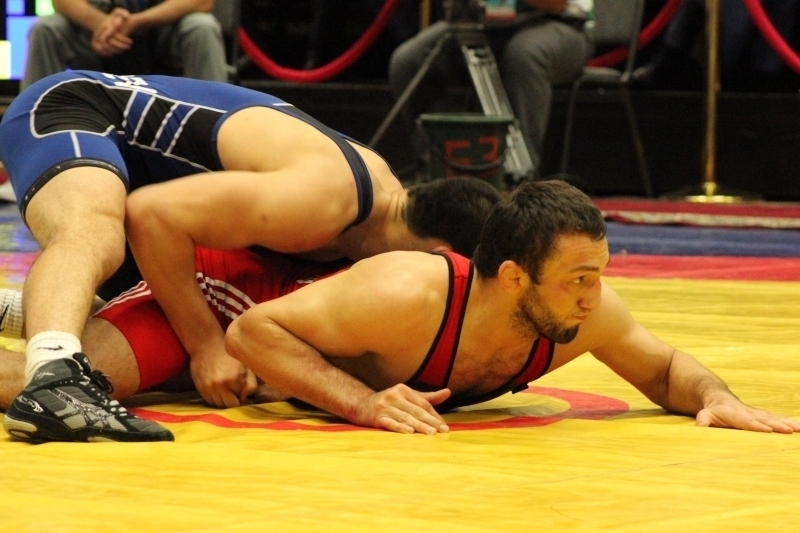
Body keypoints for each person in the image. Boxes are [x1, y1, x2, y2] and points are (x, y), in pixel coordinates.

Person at [3, 182, 798, 437]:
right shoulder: (410, 292)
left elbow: (664, 367)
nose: (595, 295)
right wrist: (362, 401)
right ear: (513, 279)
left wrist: (716, 394)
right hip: (235, 296)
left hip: (298, 341)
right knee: (74, 381)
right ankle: (44, 325)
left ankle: (20, 307)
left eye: (600, 274)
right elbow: (252, 331)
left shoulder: (579, 313)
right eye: (579, 278)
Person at [0, 70, 502, 443]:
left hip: (156, 194)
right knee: (95, 231)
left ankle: (18, 313)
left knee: (163, 332)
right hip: (81, 111)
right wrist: (206, 345)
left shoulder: (371, 220)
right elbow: (151, 216)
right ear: (440, 256)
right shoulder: (325, 202)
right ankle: (54, 376)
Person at [388, 0, 595, 177]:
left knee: (523, 56)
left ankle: (519, 178)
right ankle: (438, 169)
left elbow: (556, 4)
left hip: (562, 23)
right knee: (408, 61)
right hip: (483, 23)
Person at [20, 0, 229, 91]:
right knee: (46, 28)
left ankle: (218, 126)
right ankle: (30, 130)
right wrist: (101, 24)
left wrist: (136, 22)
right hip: (95, 39)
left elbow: (202, 2)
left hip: (162, 40)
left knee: (202, 26)